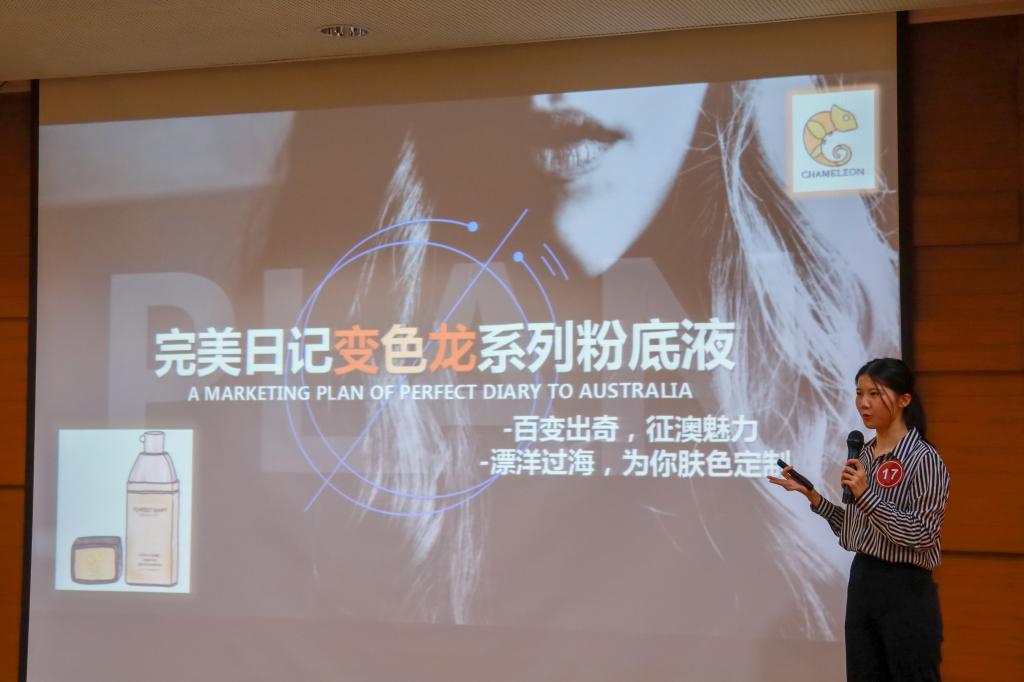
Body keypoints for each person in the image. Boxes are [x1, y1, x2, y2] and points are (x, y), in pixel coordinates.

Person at [769, 357, 950, 681]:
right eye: (859, 393)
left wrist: (866, 496)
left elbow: (922, 535)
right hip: (864, 579)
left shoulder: (924, 459)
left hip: (905, 587)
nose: (864, 403)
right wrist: (814, 497)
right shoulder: (863, 453)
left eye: (875, 394)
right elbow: (858, 531)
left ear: (904, 400)